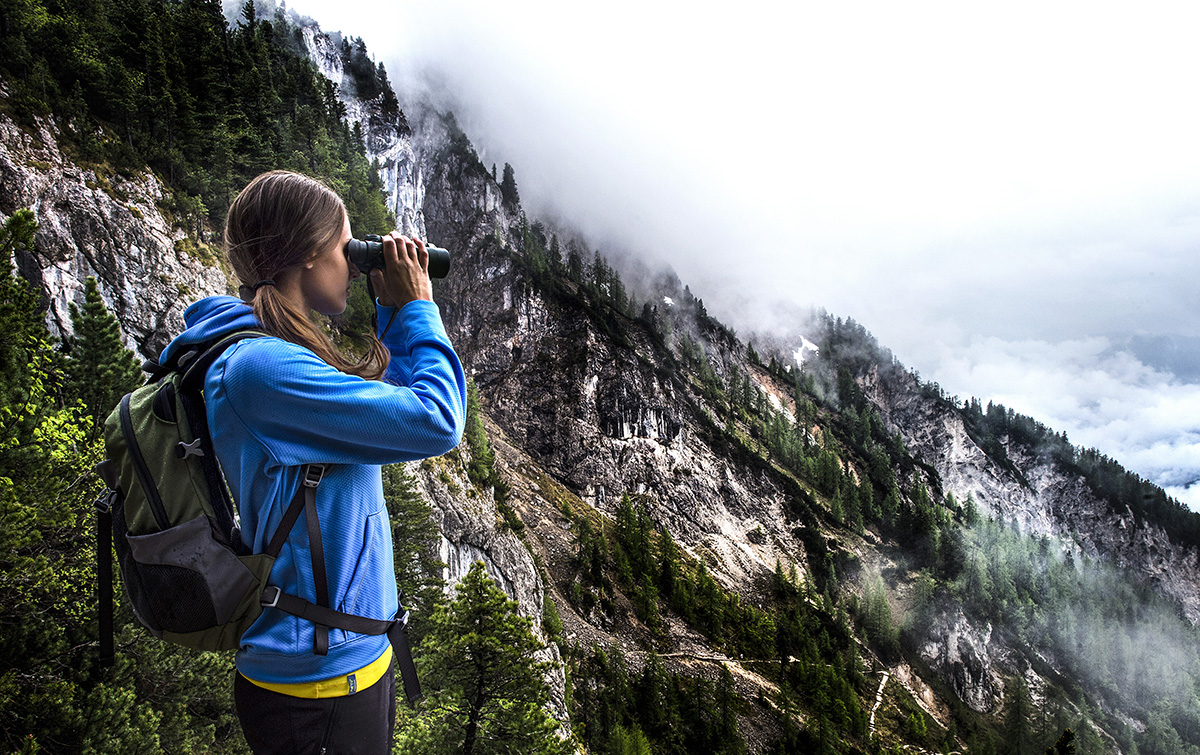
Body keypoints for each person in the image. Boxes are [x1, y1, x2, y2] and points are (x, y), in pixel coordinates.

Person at [157, 170, 467, 753]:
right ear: (304, 254)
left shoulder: (276, 359)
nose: (354, 262)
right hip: (315, 689)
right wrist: (420, 308)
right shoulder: (263, 369)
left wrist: (391, 317)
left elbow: (387, 425)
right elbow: (436, 421)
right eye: (346, 246)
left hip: (343, 666)